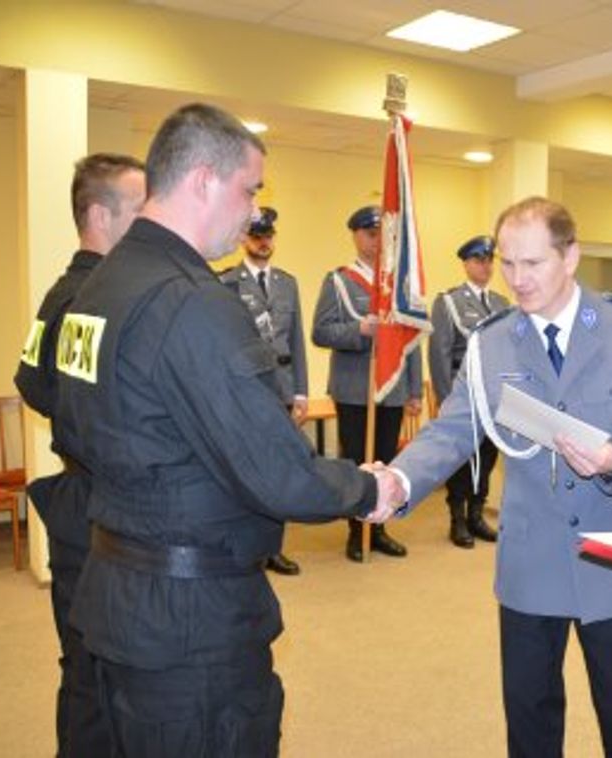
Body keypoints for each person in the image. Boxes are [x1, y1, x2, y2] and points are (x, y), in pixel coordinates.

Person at [52, 103, 401, 757]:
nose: (252, 214)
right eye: (250, 191)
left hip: (117, 593)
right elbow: (278, 470)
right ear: (204, 180)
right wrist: (366, 489)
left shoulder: (99, 287)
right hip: (190, 621)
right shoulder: (191, 303)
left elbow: (73, 427)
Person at [386, 196, 612, 756]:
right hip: (532, 564)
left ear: (570, 256)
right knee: (530, 729)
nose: (517, 279)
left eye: (533, 264)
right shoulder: (492, 341)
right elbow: (452, 429)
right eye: (507, 263)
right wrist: (399, 482)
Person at [14, 152, 145, 757]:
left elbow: (31, 382)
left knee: (83, 664)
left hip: (79, 497)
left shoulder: (61, 292)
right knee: (99, 672)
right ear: (99, 214)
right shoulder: (92, 299)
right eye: (140, 209)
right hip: (98, 510)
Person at [311, 205, 422, 562]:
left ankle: (379, 529)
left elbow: (411, 338)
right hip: (354, 389)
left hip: (390, 388)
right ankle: (356, 533)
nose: (376, 242)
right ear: (356, 236)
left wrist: (415, 389)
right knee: (357, 462)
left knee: (386, 462)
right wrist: (359, 330)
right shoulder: (340, 281)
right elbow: (320, 331)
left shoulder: (397, 287)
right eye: (370, 234)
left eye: (382, 235)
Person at [220, 206, 306, 576]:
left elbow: (297, 341)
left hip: (282, 390)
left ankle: (274, 547)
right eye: (256, 235)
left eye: (268, 236)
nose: (264, 242)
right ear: (243, 239)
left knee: (279, 469)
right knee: (246, 469)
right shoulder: (227, 283)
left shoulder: (287, 283)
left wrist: (301, 392)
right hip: (246, 391)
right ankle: (249, 546)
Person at [428, 234, 510, 548]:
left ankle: (477, 515)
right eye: (479, 260)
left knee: (487, 456)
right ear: (465, 264)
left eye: (489, 260)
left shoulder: (502, 304)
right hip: (462, 393)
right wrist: (446, 398)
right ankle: (458, 519)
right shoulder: (448, 302)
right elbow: (440, 353)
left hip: (493, 394)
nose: (485, 266)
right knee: (462, 457)